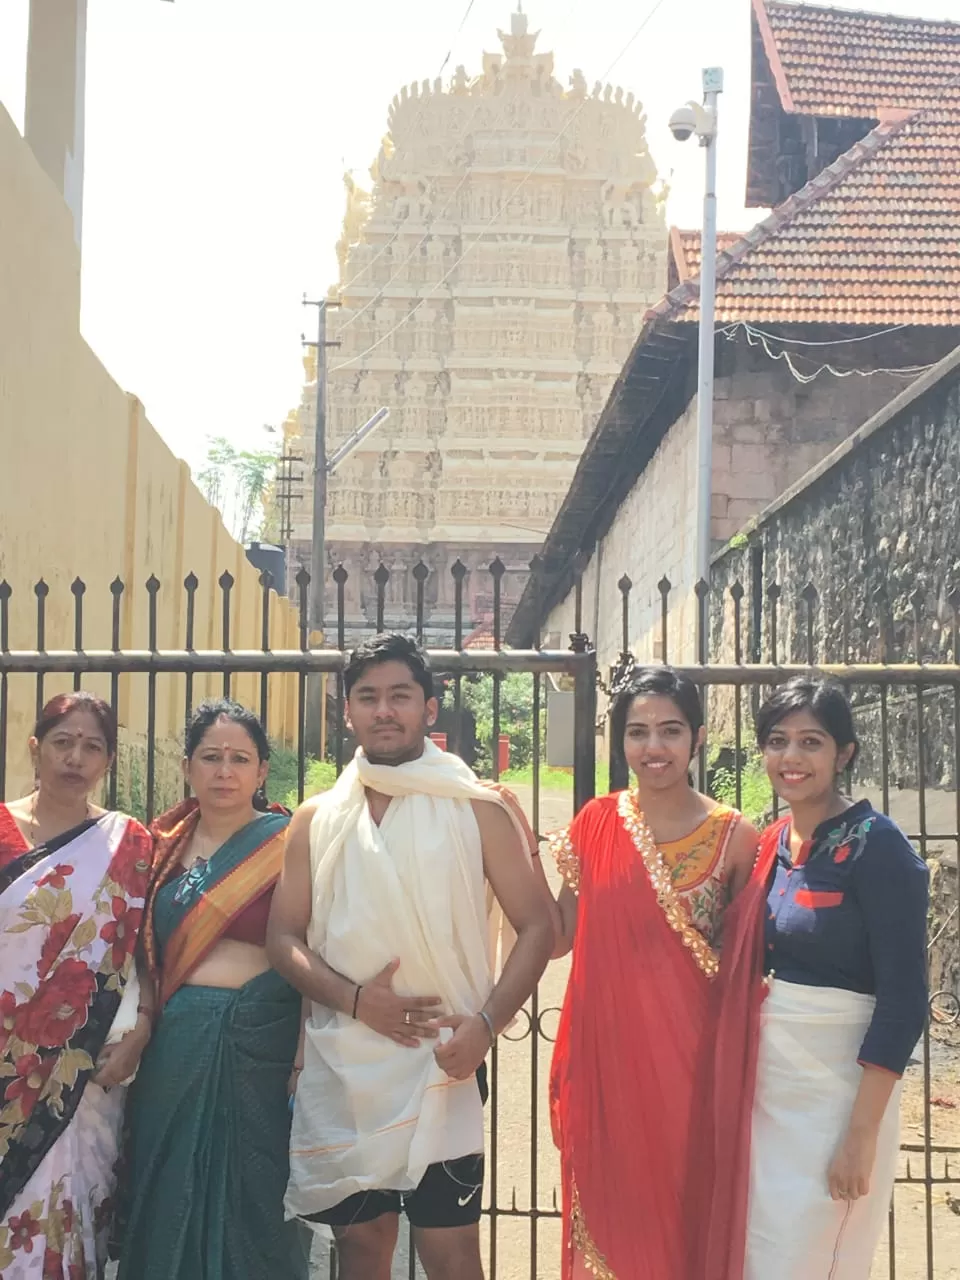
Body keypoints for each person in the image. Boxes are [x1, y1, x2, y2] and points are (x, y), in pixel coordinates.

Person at [267, 633, 554, 1280]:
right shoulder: (317, 818)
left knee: (449, 1254)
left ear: (430, 707)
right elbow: (283, 939)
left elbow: (537, 926)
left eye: (400, 695)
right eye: (367, 697)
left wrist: (484, 1028)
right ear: (347, 711)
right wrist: (360, 1002)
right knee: (363, 1245)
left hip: (444, 1064)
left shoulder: (478, 808)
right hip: (347, 1065)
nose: (384, 710)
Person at [691, 677, 929, 1280]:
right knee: (760, 1254)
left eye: (810, 742)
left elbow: (903, 1002)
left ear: (843, 753)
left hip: (839, 1100)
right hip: (769, 1095)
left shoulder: (880, 850)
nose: (791, 758)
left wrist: (860, 1135)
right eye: (777, 741)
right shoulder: (771, 844)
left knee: (815, 1259)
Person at [548, 665, 759, 1280]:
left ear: (697, 738)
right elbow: (560, 936)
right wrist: (505, 839)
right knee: (609, 1224)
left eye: (670, 730)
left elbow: (745, 968)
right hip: (607, 1069)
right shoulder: (595, 824)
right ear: (621, 743)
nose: (653, 747)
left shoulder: (735, 837)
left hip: (693, 1077)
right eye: (637, 732)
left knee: (684, 1225)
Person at [118, 699, 309, 1280]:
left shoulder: (290, 842)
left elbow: (315, 952)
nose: (224, 771)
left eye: (239, 758)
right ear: (187, 767)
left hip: (265, 1047)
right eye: (210, 757)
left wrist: (304, 1055)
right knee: (167, 1183)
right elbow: (145, 953)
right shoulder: (160, 849)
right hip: (174, 1048)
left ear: (260, 770)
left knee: (258, 1193)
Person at [0, 692, 153, 1279]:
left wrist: (141, 1031)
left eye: (92, 747)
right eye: (62, 742)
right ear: (36, 748)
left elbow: (147, 958)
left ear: (108, 761)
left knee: (63, 1227)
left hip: (80, 1075)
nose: (76, 758)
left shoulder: (130, 846)